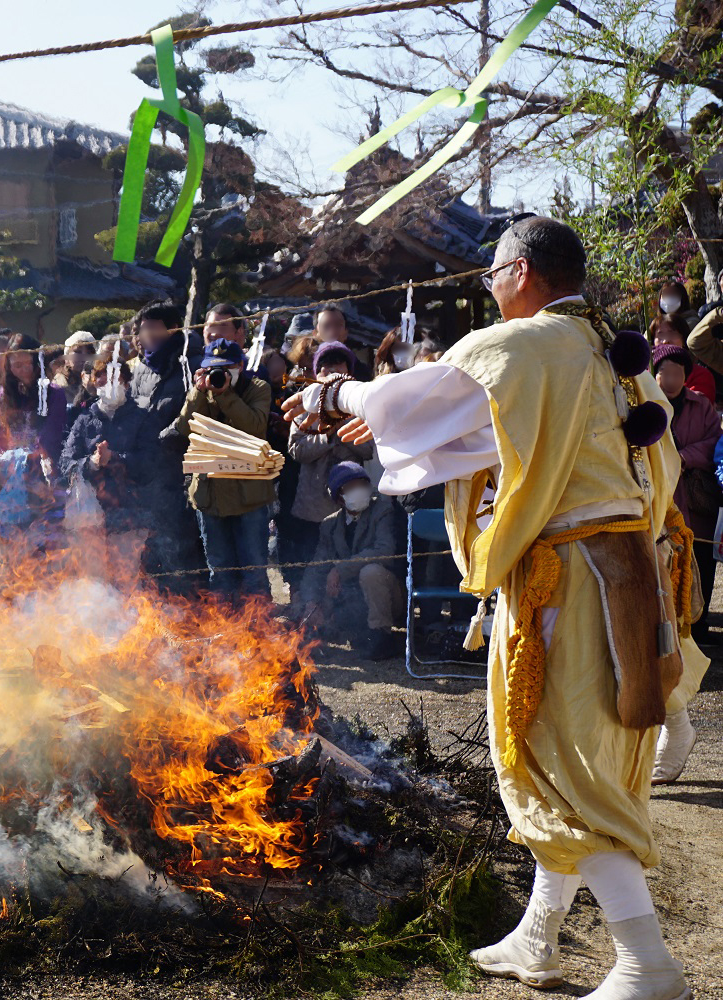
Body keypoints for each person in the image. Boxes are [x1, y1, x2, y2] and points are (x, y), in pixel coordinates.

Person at [286, 216, 706, 999]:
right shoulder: (617, 359)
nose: (490, 288)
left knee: (565, 759)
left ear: (518, 271)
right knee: (581, 754)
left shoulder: (522, 346)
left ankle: (648, 964)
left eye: (490, 276)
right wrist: (395, 421)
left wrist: (332, 389)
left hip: (567, 582)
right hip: (627, 573)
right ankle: (537, 939)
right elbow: (527, 441)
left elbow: (423, 398)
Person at [170, 339, 273, 599]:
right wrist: (197, 392)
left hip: (249, 496)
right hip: (210, 495)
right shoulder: (202, 391)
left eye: (226, 367)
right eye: (212, 368)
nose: (219, 374)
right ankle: (226, 633)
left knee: (254, 572)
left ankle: (259, 631)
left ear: (240, 365)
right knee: (220, 572)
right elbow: (183, 429)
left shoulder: (257, 388)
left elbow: (255, 427)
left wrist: (225, 394)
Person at [282, 342, 373, 596]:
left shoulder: (358, 406)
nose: (330, 372)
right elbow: (297, 451)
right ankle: (309, 612)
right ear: (315, 373)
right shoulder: (305, 407)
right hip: (313, 504)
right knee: (312, 564)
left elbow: (368, 451)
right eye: (324, 368)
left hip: (350, 503)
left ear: (349, 373)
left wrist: (343, 427)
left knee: (347, 567)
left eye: (338, 367)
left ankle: (344, 618)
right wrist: (326, 436)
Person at [130, 301, 206, 591]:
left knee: (185, 545)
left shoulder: (192, 363)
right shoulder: (141, 368)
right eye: (142, 328)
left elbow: (197, 414)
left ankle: (192, 606)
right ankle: (163, 610)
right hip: (151, 472)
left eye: (152, 326)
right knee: (156, 545)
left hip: (185, 469)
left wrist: (170, 435)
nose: (145, 333)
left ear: (172, 328)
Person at [295, 461, 402, 659]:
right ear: (339, 497)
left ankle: (382, 636)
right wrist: (310, 601)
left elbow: (384, 550)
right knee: (303, 600)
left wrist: (340, 570)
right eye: (350, 487)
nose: (358, 491)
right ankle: (330, 632)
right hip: (350, 599)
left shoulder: (383, 510)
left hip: (388, 595)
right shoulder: (330, 524)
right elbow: (317, 566)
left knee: (370, 572)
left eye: (362, 484)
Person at [652, 345, 720, 646]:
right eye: (668, 371)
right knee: (664, 565)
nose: (674, 378)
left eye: (680, 372)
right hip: (660, 498)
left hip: (694, 497)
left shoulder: (701, 404)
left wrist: (683, 456)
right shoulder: (646, 404)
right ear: (656, 375)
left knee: (702, 562)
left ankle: (699, 625)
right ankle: (668, 626)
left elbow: (714, 443)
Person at [59, 340, 150, 539]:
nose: (107, 384)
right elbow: (66, 462)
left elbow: (150, 461)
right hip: (91, 514)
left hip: (132, 513)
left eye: (114, 379)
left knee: (129, 568)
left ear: (126, 383)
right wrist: (91, 463)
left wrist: (115, 458)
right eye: (101, 378)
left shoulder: (141, 417)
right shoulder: (84, 419)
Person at [0, 333, 66, 537]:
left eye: (26, 364)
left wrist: (31, 457)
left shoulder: (54, 393)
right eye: (15, 365)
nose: (21, 370)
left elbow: (51, 432)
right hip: (11, 472)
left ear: (37, 362)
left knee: (46, 534)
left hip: (43, 472)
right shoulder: (5, 395)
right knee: (16, 537)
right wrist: (2, 458)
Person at [651, 313, 716, 402]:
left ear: (684, 339)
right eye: (660, 335)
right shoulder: (646, 375)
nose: (666, 341)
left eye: (672, 334)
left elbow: (698, 407)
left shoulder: (701, 375)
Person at [57, 331, 98, 408]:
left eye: (89, 353)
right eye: (78, 352)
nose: (84, 358)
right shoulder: (58, 387)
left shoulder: (99, 382)